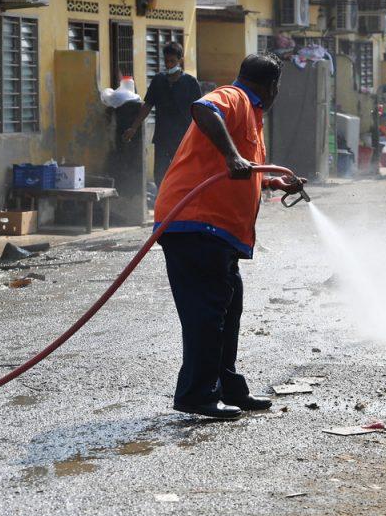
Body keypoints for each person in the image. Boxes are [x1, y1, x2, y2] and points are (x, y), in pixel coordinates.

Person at [154, 53, 307, 420]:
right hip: (194, 223)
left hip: (216, 231)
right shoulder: (234, 97)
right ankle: (195, 394)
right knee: (206, 313)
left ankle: (227, 388)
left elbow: (242, 171)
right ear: (272, 87)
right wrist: (232, 155)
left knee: (228, 308)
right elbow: (204, 108)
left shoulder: (252, 115)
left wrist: (272, 181)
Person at [123, 42, 203, 187]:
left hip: (183, 138)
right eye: (166, 61)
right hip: (162, 137)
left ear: (180, 60)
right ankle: (162, 205)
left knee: (183, 174)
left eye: (172, 61)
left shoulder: (190, 83)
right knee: (160, 175)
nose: (169, 64)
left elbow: (199, 109)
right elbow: (147, 105)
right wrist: (134, 127)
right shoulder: (158, 80)